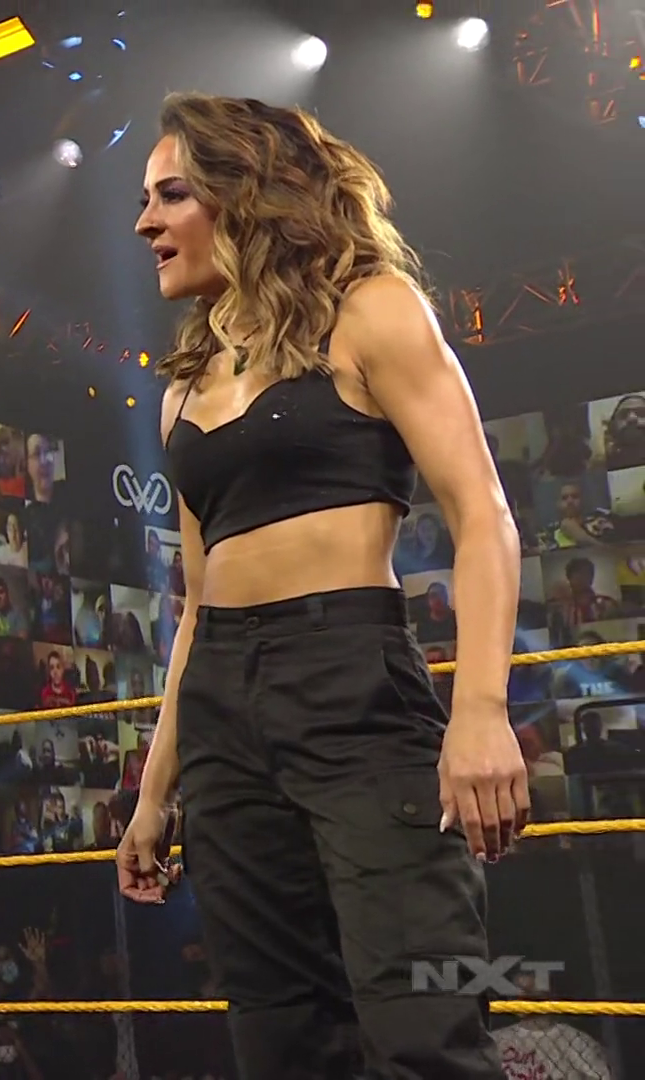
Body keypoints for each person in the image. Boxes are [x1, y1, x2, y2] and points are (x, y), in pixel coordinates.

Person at [116, 92, 527, 1079]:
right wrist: (154, 789)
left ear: (243, 192)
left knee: (423, 1026)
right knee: (280, 1037)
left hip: (349, 678)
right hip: (222, 708)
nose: (144, 223)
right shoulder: (184, 384)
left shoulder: (371, 310)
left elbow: (483, 514)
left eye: (171, 195)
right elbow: (197, 604)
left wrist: (479, 710)